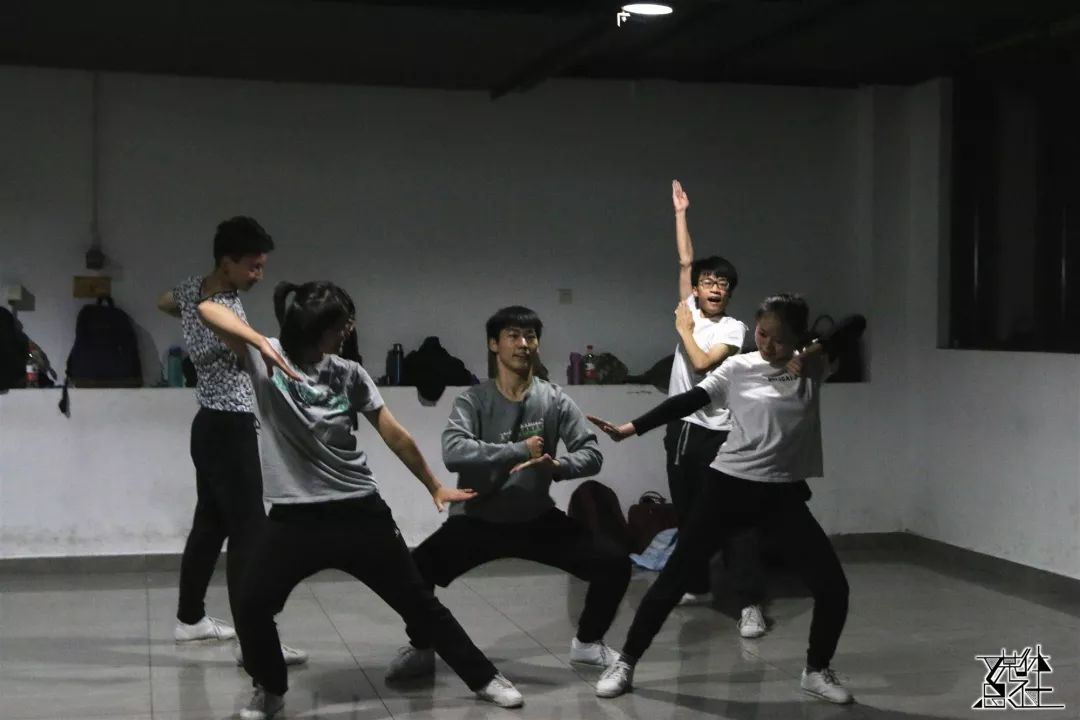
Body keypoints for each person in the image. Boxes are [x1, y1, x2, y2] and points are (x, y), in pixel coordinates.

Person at [197, 281, 524, 719]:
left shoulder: (349, 373)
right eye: (340, 327)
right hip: (293, 519)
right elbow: (207, 309)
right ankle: (270, 689)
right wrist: (258, 343)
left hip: (359, 511)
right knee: (251, 604)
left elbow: (394, 433)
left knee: (418, 603)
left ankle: (484, 678)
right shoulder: (265, 357)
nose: (347, 333)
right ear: (315, 328)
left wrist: (433, 485)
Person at [589, 295, 866, 705]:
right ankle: (625, 663)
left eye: (778, 338)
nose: (767, 345)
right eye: (762, 334)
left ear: (798, 337)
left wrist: (816, 350)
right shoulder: (739, 367)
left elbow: (856, 322)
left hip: (781, 494)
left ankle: (816, 671)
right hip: (728, 487)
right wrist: (631, 428)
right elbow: (689, 401)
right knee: (674, 580)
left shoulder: (813, 366)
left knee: (833, 588)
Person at [384, 306, 629, 683]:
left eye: (530, 336)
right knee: (415, 573)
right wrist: (517, 450)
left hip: (536, 520)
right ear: (494, 344)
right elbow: (453, 451)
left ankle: (587, 643)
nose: (523, 344)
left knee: (615, 564)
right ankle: (421, 647)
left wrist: (558, 467)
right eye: (513, 336)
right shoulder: (474, 400)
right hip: (478, 521)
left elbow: (591, 453)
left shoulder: (554, 399)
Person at [156, 217, 304, 664]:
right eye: (253, 267)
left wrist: (192, 320)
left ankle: (191, 620)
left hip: (208, 427)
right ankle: (254, 644)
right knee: (250, 533)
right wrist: (259, 344)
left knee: (210, 526)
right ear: (227, 262)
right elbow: (246, 349)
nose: (258, 275)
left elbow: (165, 301)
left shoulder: (193, 289)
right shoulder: (221, 307)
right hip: (229, 428)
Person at [666, 180, 768, 639]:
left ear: (729, 294)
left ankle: (749, 603)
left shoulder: (734, 328)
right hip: (681, 429)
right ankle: (696, 583)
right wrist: (681, 213)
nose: (715, 288)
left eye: (723, 284)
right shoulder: (688, 305)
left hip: (719, 433)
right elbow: (685, 260)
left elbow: (703, 363)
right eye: (709, 282)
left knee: (734, 519)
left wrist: (683, 330)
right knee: (688, 513)